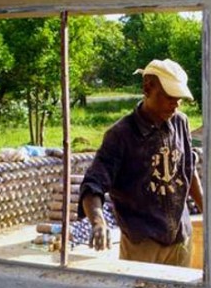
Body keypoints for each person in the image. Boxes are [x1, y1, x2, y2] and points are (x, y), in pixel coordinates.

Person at [78, 58, 203, 266]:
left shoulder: (180, 122)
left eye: (179, 99)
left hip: (180, 236)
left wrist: (207, 211)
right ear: (147, 88)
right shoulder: (121, 135)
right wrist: (98, 222)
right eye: (169, 97)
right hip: (142, 243)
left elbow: (188, 170)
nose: (175, 104)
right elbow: (93, 185)